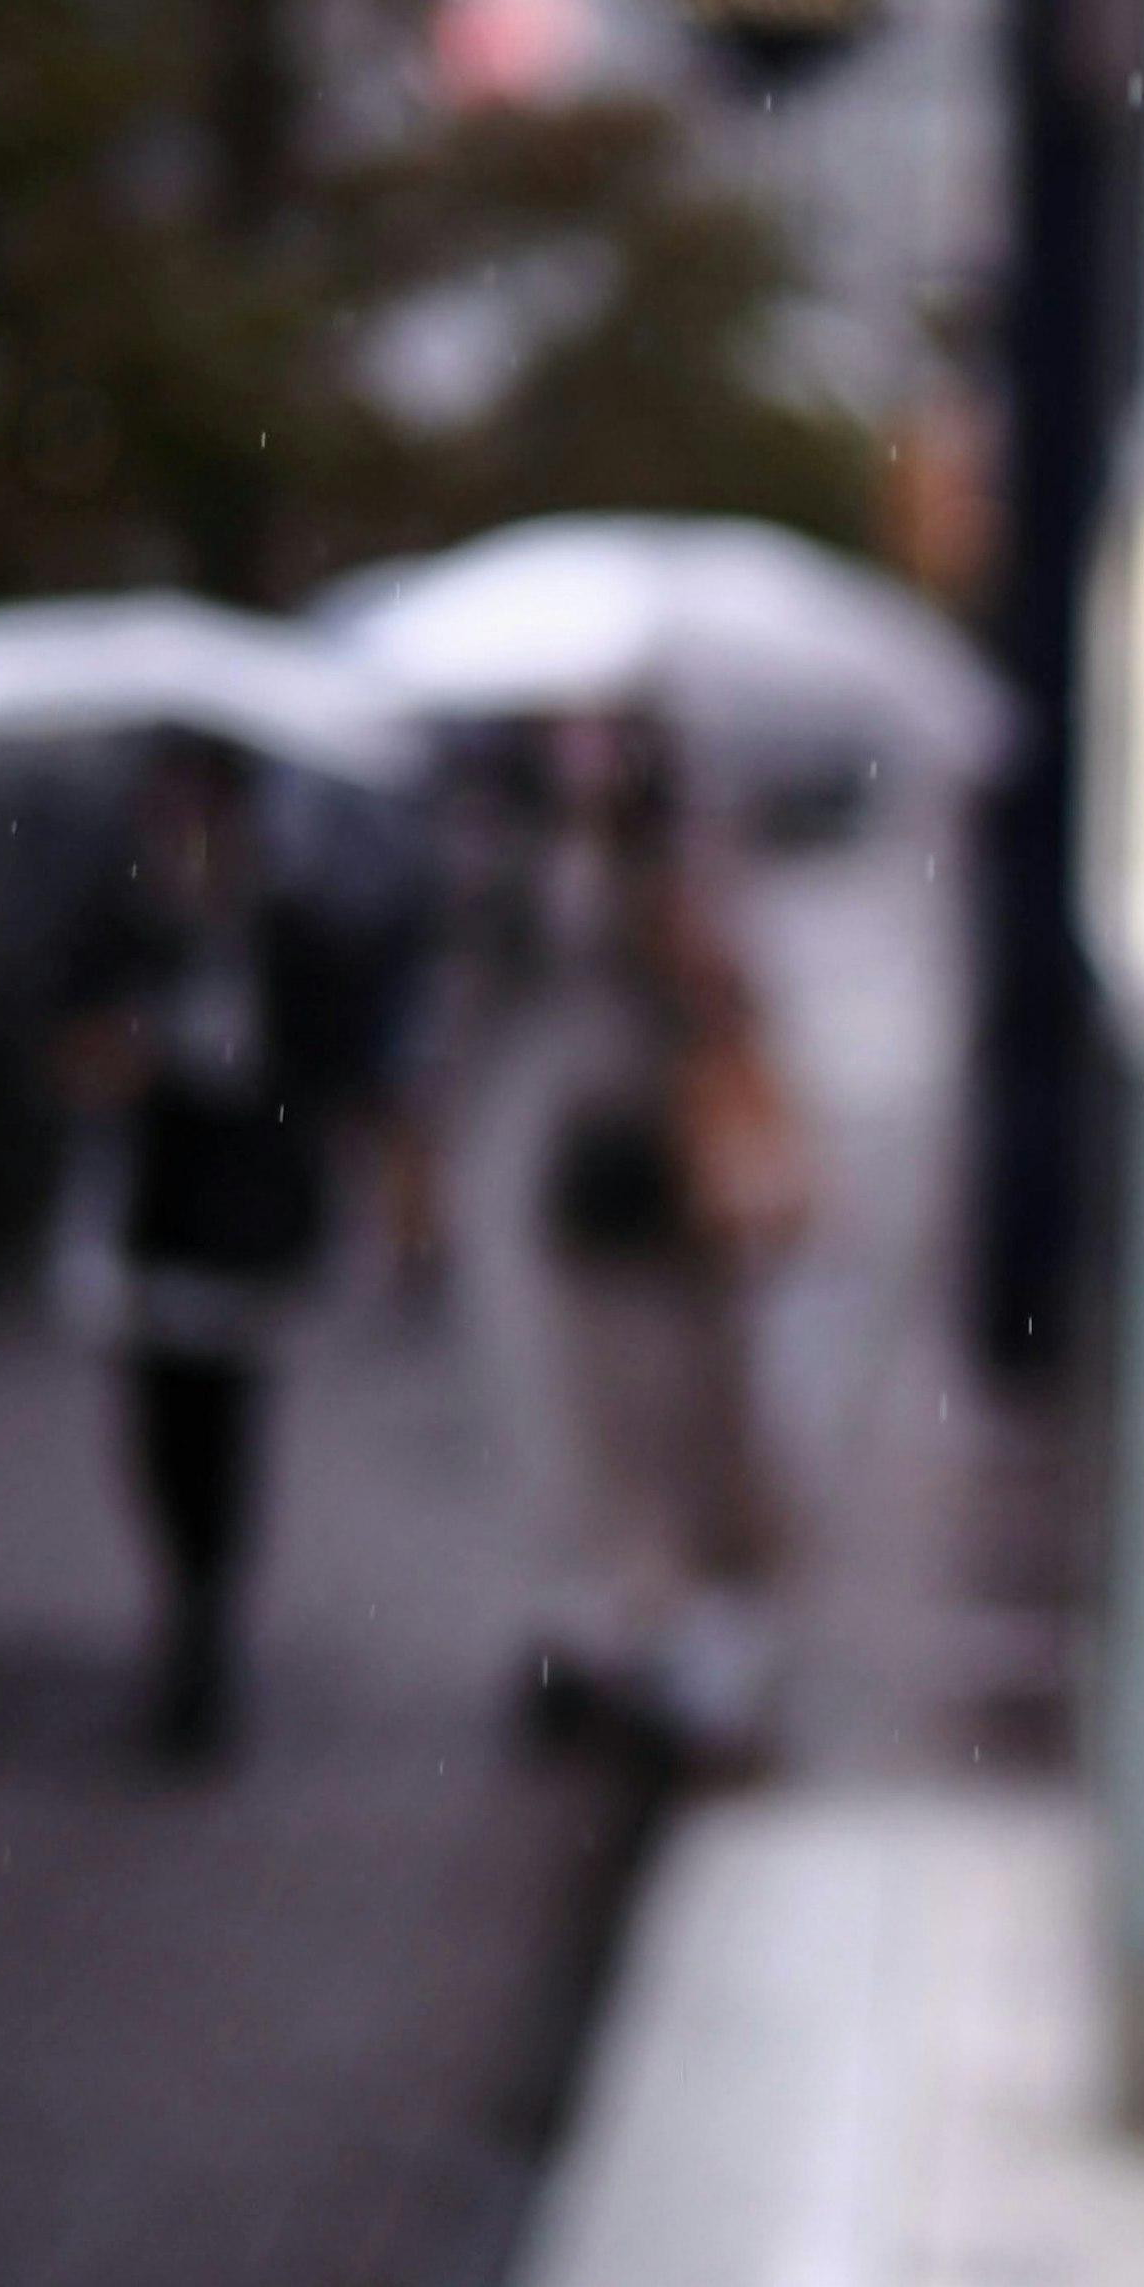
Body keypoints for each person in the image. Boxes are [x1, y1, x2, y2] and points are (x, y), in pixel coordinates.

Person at [438, 714, 806, 1767]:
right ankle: (608, 1629)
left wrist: (674, 937)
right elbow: (484, 1004)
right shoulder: (521, 860)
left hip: (670, 1180)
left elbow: (736, 997)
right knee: (578, 1414)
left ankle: (683, 1643)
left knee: (680, 1419)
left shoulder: (690, 862)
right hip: (571, 1179)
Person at [58, 735, 407, 1762]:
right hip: (151, 1212)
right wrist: (132, 1042)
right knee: (162, 1431)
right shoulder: (125, 925)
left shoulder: (286, 926)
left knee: (227, 1430)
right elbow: (69, 1050)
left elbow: (337, 1060)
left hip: (248, 1215)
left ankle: (208, 1626)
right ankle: (187, 1604)